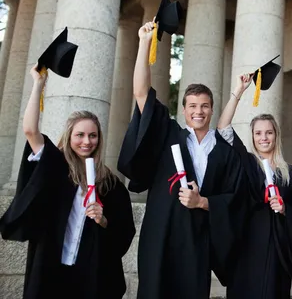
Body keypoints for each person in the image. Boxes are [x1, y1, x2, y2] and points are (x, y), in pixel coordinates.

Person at [117, 21, 245, 299]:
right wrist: (144, 44)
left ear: (212, 109)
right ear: (184, 110)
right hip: (161, 229)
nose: (198, 111)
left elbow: (235, 197)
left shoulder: (222, 150)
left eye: (205, 106)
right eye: (193, 106)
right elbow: (141, 93)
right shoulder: (168, 134)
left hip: (196, 235)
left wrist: (203, 202)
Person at [0, 66, 135, 299]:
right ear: (69, 136)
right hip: (53, 267)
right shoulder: (55, 166)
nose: (86, 141)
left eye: (93, 135)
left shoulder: (109, 183)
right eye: (80, 135)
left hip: (91, 273)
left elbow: (124, 232)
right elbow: (31, 131)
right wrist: (38, 84)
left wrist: (103, 220)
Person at [217, 73, 292, 299]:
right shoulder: (245, 163)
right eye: (258, 133)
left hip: (278, 250)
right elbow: (223, 128)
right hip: (248, 245)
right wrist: (239, 91)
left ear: (276, 135)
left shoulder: (291, 174)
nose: (263, 138)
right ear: (253, 136)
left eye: (268, 132)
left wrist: (285, 210)